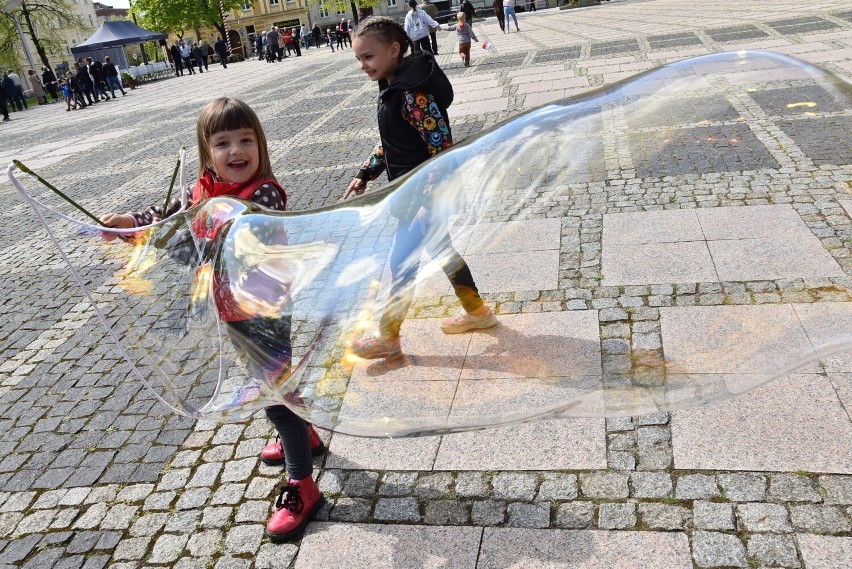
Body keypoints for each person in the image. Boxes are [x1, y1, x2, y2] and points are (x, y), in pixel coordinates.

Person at [99, 97, 326, 542]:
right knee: (274, 382)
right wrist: (132, 222)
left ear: (260, 146)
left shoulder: (261, 194)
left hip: (265, 308)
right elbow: (170, 213)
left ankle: (302, 484)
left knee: (274, 396)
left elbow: (218, 247)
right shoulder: (204, 188)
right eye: (223, 143)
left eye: (246, 140)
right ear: (207, 154)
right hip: (232, 308)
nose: (236, 151)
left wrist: (163, 243)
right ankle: (307, 435)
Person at [344, 17, 497, 359]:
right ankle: (477, 312)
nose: (362, 65)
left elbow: (442, 149)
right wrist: (365, 173)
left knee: (402, 262)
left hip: (425, 197)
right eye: (359, 59)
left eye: (368, 57)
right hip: (410, 194)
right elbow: (392, 143)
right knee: (444, 254)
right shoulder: (393, 88)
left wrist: (429, 201)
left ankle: (388, 336)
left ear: (394, 50)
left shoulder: (413, 94)